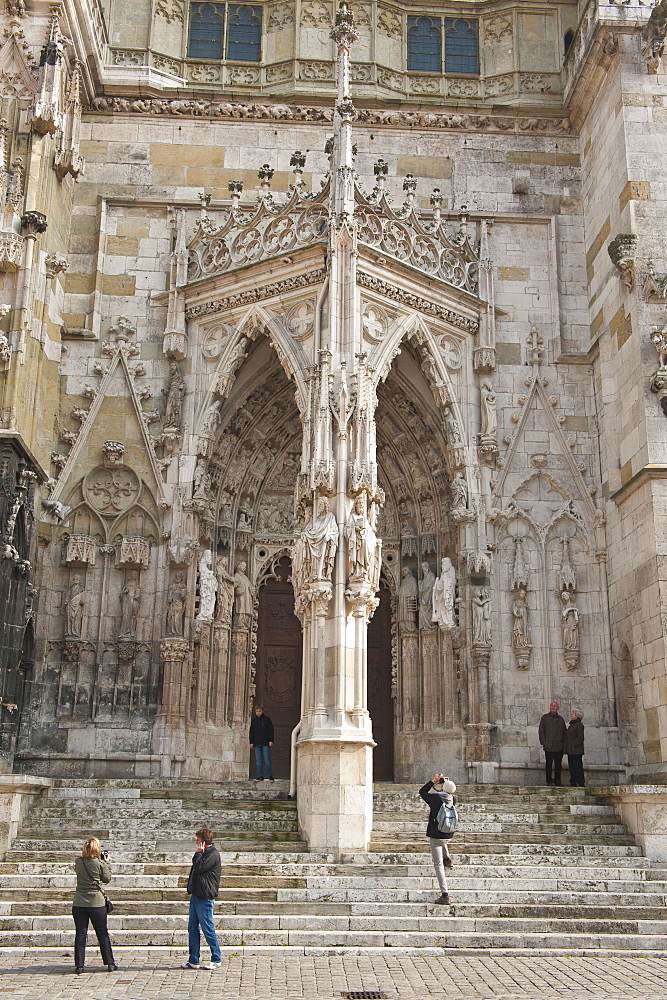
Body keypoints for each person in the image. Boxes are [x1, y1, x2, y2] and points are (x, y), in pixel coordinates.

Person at [72, 837, 117, 974]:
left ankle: (79, 965)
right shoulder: (100, 864)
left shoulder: (78, 862)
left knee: (80, 934)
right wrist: (107, 862)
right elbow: (107, 878)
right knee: (102, 933)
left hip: (79, 902)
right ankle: (109, 963)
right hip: (96, 903)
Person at [181, 827, 222, 971]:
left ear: (204, 841)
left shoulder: (212, 854)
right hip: (196, 895)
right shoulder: (203, 853)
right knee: (192, 928)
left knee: (207, 927)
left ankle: (216, 958)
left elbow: (199, 867)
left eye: (198, 839)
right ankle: (193, 959)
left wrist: (198, 854)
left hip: (205, 896)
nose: (196, 841)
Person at [419, 774, 457, 906]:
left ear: (442, 787)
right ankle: (447, 858)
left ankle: (445, 895)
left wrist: (433, 781)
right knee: (443, 841)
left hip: (436, 835)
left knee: (438, 866)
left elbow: (422, 792)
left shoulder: (435, 799)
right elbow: (447, 792)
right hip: (448, 834)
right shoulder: (453, 799)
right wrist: (445, 784)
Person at [538, 701, 567, 786]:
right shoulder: (545, 718)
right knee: (549, 764)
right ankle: (549, 780)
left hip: (558, 746)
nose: (553, 707)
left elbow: (564, 732)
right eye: (551, 706)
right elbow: (541, 731)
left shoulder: (561, 719)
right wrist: (544, 743)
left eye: (554, 706)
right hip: (549, 746)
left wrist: (563, 744)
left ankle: (558, 780)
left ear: (557, 708)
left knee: (558, 765)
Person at [249, 705, 274, 781]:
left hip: (265, 742)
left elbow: (270, 730)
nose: (258, 713)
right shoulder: (254, 721)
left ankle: (270, 775)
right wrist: (251, 742)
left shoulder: (267, 719)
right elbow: (252, 732)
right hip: (256, 743)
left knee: (267, 759)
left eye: (259, 711)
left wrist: (271, 740)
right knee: (258, 760)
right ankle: (260, 776)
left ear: (262, 711)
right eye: (256, 711)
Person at [567, 710, 585, 787]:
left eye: (573, 713)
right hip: (571, 749)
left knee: (577, 766)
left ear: (577, 715)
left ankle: (580, 782)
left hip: (576, 750)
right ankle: (573, 781)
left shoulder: (579, 725)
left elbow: (580, 737)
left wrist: (573, 745)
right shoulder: (572, 724)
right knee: (572, 766)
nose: (572, 714)